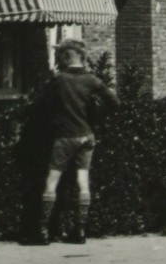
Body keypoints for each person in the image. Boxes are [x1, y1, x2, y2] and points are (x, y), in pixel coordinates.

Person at [31, 39, 119, 245]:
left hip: (64, 136)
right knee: (82, 181)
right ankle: (80, 231)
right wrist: (96, 117)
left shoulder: (59, 80)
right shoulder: (92, 80)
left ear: (67, 56)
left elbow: (40, 106)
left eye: (60, 56)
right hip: (87, 135)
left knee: (52, 180)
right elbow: (115, 102)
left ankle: (42, 231)